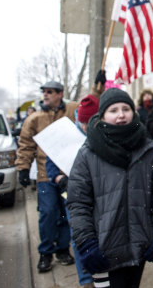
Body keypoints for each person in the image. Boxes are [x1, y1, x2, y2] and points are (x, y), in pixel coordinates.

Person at [67, 88, 153, 288]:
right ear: (102, 116)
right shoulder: (88, 153)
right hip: (103, 251)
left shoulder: (147, 149)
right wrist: (86, 243)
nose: (121, 115)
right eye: (113, 110)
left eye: (126, 109)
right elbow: (78, 204)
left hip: (138, 250)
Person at [46, 93, 109, 288]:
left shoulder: (106, 135)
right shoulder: (65, 136)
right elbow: (50, 166)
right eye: (83, 122)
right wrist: (60, 179)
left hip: (101, 195)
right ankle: (86, 279)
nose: (86, 127)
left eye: (90, 122)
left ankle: (104, 272)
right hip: (72, 195)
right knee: (79, 234)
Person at [15, 80, 78, 273]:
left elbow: (92, 104)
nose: (46, 95)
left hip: (68, 174)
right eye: (44, 92)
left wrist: (99, 87)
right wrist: (23, 168)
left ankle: (62, 249)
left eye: (50, 92)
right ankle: (46, 252)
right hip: (44, 176)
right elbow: (25, 144)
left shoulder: (71, 111)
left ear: (60, 93)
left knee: (66, 214)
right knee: (48, 213)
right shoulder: (34, 119)